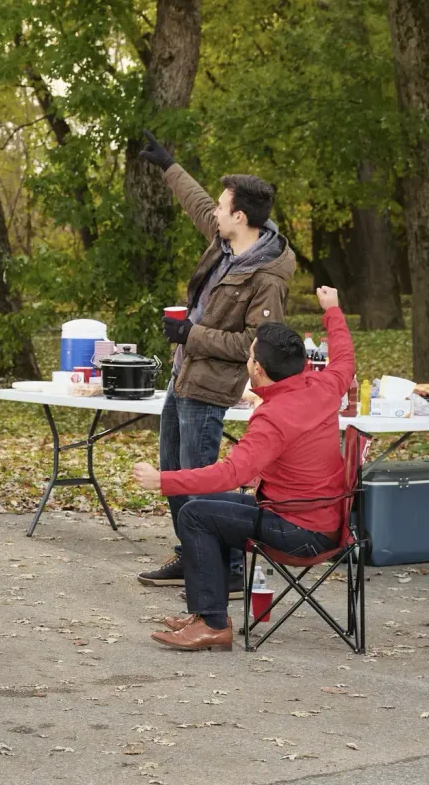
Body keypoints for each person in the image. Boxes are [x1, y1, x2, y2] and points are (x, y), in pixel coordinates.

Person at [130, 286, 354, 651]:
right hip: (320, 518)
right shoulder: (323, 385)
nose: (248, 360)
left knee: (195, 515)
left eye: (249, 355)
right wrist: (332, 310)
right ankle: (207, 612)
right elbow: (344, 359)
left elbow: (230, 473)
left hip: (298, 530)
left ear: (257, 369)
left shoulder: (273, 417)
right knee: (206, 508)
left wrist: (163, 480)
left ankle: (212, 624)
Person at [135, 134, 294, 590]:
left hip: (210, 386)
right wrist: (168, 166)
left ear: (240, 217)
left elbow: (256, 343)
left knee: (201, 481)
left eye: (225, 207)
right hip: (183, 374)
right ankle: (193, 555)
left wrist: (192, 334)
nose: (217, 213)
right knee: (173, 473)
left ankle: (229, 569)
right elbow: (199, 204)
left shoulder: (267, 277)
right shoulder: (225, 243)